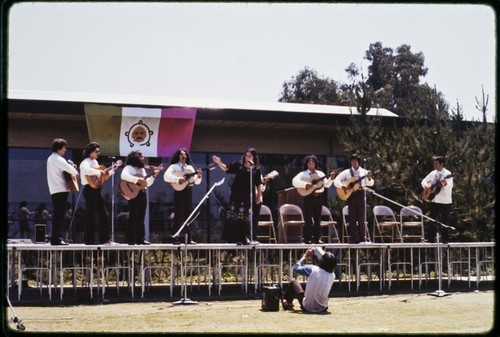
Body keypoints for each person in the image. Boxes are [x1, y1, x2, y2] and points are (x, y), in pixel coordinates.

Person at [212, 148, 263, 244]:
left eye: (250, 156)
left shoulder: (256, 169)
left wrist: (258, 196)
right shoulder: (239, 165)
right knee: (234, 216)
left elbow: (259, 183)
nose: (247, 157)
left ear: (254, 158)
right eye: (246, 155)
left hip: (247, 196)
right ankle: (233, 239)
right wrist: (219, 162)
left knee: (245, 217)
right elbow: (226, 168)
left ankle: (245, 238)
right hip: (236, 195)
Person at [292, 155, 336, 244]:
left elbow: (326, 185)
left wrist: (331, 178)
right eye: (309, 162)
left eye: (313, 162)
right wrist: (305, 185)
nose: (311, 163)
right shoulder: (303, 174)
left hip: (319, 197)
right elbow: (294, 181)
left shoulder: (321, 174)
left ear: (315, 163)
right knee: (308, 219)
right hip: (309, 196)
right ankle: (307, 239)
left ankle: (317, 239)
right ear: (307, 164)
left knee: (317, 219)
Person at [120, 150, 160, 245]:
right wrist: (137, 180)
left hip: (142, 193)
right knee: (133, 216)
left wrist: (153, 176)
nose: (143, 158)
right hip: (133, 194)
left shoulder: (142, 169)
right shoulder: (129, 168)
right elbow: (123, 176)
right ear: (136, 158)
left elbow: (146, 183)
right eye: (141, 157)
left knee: (141, 217)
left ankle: (140, 239)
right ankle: (130, 239)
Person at [163, 148, 202, 244]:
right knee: (178, 214)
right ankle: (175, 237)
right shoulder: (174, 167)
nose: (183, 156)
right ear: (178, 156)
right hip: (179, 191)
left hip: (188, 191)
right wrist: (177, 179)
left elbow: (195, 181)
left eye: (185, 154)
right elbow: (166, 176)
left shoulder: (190, 168)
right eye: (181, 154)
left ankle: (188, 238)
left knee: (188, 215)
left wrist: (199, 176)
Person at [281, 247, 337, 313]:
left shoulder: (312, 269)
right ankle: (289, 303)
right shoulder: (332, 275)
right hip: (323, 308)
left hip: (307, 307)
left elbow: (295, 268)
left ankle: (288, 303)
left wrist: (305, 255)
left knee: (294, 281)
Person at [333, 154, 374, 244]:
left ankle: (362, 238)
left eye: (355, 160)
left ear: (359, 162)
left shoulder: (364, 172)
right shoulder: (346, 172)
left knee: (361, 217)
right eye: (352, 161)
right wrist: (342, 186)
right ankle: (352, 238)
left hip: (361, 194)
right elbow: (336, 181)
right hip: (351, 195)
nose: (354, 162)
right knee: (352, 217)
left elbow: (371, 183)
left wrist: (369, 178)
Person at [46, 138, 79, 245]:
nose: (65, 150)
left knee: (57, 214)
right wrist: (74, 169)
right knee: (59, 215)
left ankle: (55, 238)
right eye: (64, 147)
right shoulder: (58, 159)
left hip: (54, 189)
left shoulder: (51, 159)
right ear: (59, 148)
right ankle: (57, 239)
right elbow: (71, 170)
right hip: (60, 189)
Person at [79, 142, 113, 245]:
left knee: (103, 214)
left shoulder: (95, 162)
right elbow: (87, 170)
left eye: (98, 151)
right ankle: (89, 239)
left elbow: (100, 175)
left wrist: (111, 170)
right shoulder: (85, 162)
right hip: (89, 189)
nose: (98, 152)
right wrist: (99, 172)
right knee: (91, 214)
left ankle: (104, 239)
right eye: (96, 151)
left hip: (97, 189)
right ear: (90, 152)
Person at [421, 155, 453, 243]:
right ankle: (431, 239)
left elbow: (449, 185)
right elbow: (423, 181)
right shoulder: (433, 173)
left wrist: (445, 183)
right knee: (432, 219)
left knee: (445, 221)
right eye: (434, 164)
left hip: (445, 201)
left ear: (442, 164)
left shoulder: (447, 174)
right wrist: (426, 186)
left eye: (436, 164)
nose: (435, 165)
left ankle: (445, 239)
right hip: (434, 200)